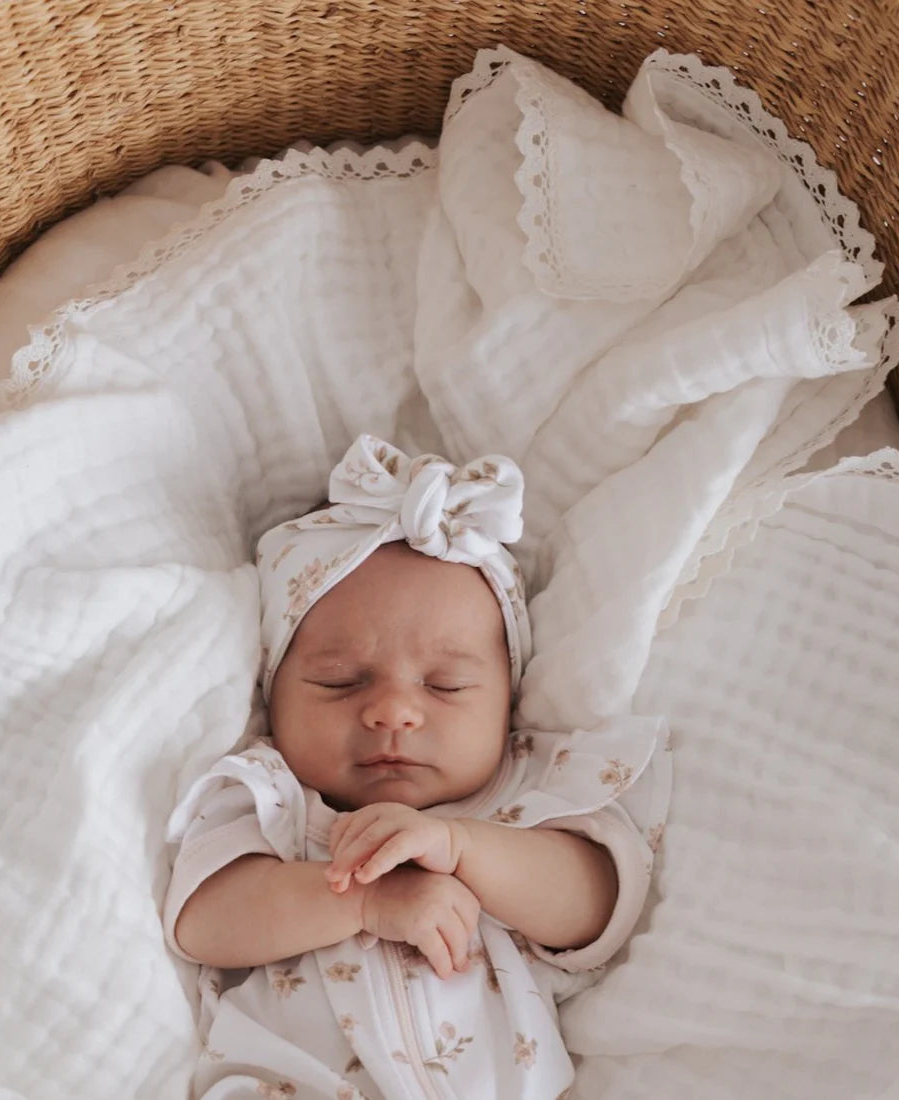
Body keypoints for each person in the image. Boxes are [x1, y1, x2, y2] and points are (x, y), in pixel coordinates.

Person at [163, 434, 665, 1098]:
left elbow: (594, 905)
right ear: (271, 692)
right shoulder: (272, 802)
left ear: (508, 704)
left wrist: (463, 846)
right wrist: (365, 902)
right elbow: (204, 920)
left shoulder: (524, 800)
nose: (394, 712)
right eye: (341, 682)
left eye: (446, 686)